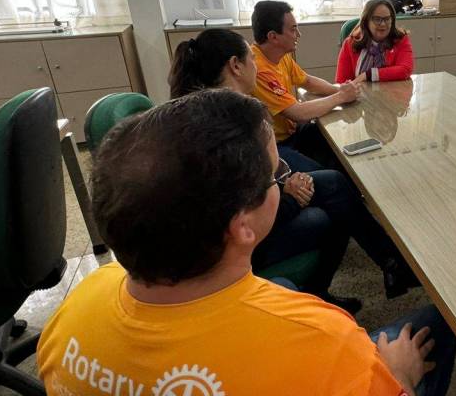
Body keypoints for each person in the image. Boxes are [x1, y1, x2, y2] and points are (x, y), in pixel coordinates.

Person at [37, 89, 456, 396]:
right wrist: (399, 376)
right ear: (242, 227)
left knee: (285, 286)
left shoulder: (74, 308)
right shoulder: (328, 339)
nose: (284, 179)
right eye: (277, 174)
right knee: (439, 322)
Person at [169, 29, 419, 304]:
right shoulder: (236, 121)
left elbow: (247, 186)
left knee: (334, 184)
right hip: (233, 246)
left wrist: (284, 182)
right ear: (235, 66)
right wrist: (288, 194)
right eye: (250, 58)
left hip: (232, 223)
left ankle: (389, 264)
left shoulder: (199, 110)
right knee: (333, 211)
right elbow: (242, 214)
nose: (255, 64)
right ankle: (363, 275)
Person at [251, 0, 360, 172]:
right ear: (273, 37)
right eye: (293, 29)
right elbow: (298, 113)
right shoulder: (259, 69)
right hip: (274, 147)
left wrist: (340, 89)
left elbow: (307, 81)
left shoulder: (280, 54)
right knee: (331, 176)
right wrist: (341, 96)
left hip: (292, 133)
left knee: (340, 142)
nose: (299, 34)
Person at [337, 0, 415, 83]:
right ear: (366, 21)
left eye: (387, 19)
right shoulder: (350, 43)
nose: (383, 24)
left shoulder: (401, 40)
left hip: (393, 91)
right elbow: (342, 82)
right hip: (360, 91)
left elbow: (405, 69)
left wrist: (369, 75)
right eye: (377, 19)